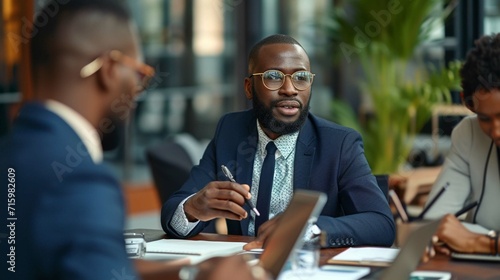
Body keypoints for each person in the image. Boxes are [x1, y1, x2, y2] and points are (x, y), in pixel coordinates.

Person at [0, 1, 267, 280]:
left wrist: (190, 273)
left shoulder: (13, 152)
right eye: (140, 74)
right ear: (110, 70)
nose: (138, 91)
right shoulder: (79, 180)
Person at [161, 34, 395, 249]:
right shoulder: (231, 131)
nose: (289, 89)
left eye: (301, 77)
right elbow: (173, 211)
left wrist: (310, 229)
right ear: (249, 87)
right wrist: (193, 208)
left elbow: (381, 224)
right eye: (273, 77)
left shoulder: (339, 144)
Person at [423, 33, 500, 256]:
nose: (496, 131)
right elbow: (436, 222)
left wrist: (482, 243)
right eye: (484, 118)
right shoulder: (469, 134)